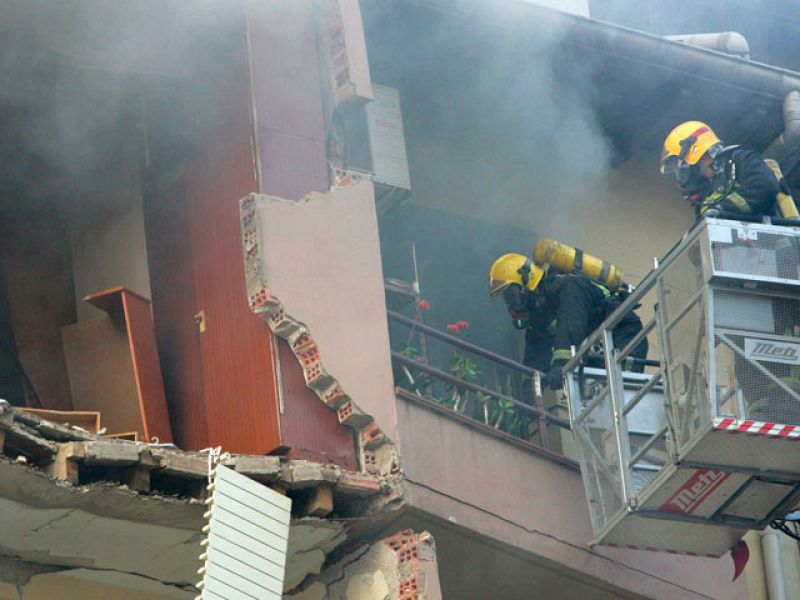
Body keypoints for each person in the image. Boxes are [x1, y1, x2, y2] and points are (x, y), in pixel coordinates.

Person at [488, 253, 648, 390]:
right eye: (507, 298)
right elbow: (537, 354)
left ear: (527, 279)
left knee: (623, 394)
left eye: (511, 294)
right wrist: (530, 388)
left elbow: (571, 325)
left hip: (623, 337)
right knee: (602, 398)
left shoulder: (569, 287)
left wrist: (561, 364)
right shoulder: (539, 315)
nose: (511, 303)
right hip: (600, 351)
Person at [659, 120, 780, 220]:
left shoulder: (742, 160)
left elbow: (765, 189)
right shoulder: (706, 193)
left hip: (773, 245)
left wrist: (721, 209)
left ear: (695, 151)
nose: (681, 172)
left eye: (682, 164)